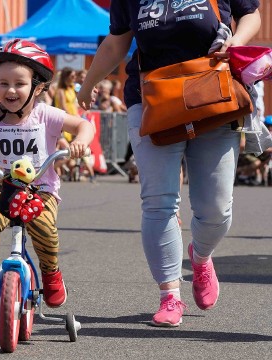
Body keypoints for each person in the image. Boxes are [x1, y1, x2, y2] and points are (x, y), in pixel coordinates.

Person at [77, 0, 261, 327]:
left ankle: (201, 257)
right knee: (158, 202)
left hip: (214, 93)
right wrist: (89, 83)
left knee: (217, 208)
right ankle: (170, 294)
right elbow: (118, 39)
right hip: (151, 98)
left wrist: (237, 40)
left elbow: (251, 14)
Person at [0, 39, 95, 307]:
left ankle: (51, 273)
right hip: (4, 187)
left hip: (41, 190)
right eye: (3, 83)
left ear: (38, 86)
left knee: (43, 226)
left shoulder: (45, 114)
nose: (10, 90)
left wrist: (80, 142)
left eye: (19, 84)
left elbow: (83, 125)